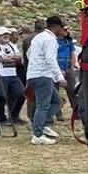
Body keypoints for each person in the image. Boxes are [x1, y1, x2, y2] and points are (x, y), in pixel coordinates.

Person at [25, 15, 66, 145]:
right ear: (56, 27)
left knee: (56, 101)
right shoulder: (50, 40)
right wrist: (60, 77)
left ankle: (43, 124)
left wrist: (35, 64)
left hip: (34, 74)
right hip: (43, 75)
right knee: (43, 105)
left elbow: (29, 53)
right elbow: (50, 59)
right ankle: (37, 134)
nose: (63, 31)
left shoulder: (39, 37)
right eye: (61, 28)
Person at [0, 27, 26, 125]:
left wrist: (12, 58)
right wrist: (14, 58)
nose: (6, 36)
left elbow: (20, 60)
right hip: (2, 74)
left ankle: (14, 115)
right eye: (3, 34)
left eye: (7, 34)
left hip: (13, 74)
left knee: (21, 94)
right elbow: (3, 59)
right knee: (1, 97)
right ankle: (2, 119)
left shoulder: (11, 45)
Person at [57, 24, 80, 120]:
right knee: (55, 91)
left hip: (68, 66)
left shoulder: (68, 41)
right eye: (65, 29)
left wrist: (72, 66)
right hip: (57, 67)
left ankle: (77, 113)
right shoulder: (53, 41)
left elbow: (72, 53)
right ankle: (58, 114)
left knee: (72, 90)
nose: (67, 31)